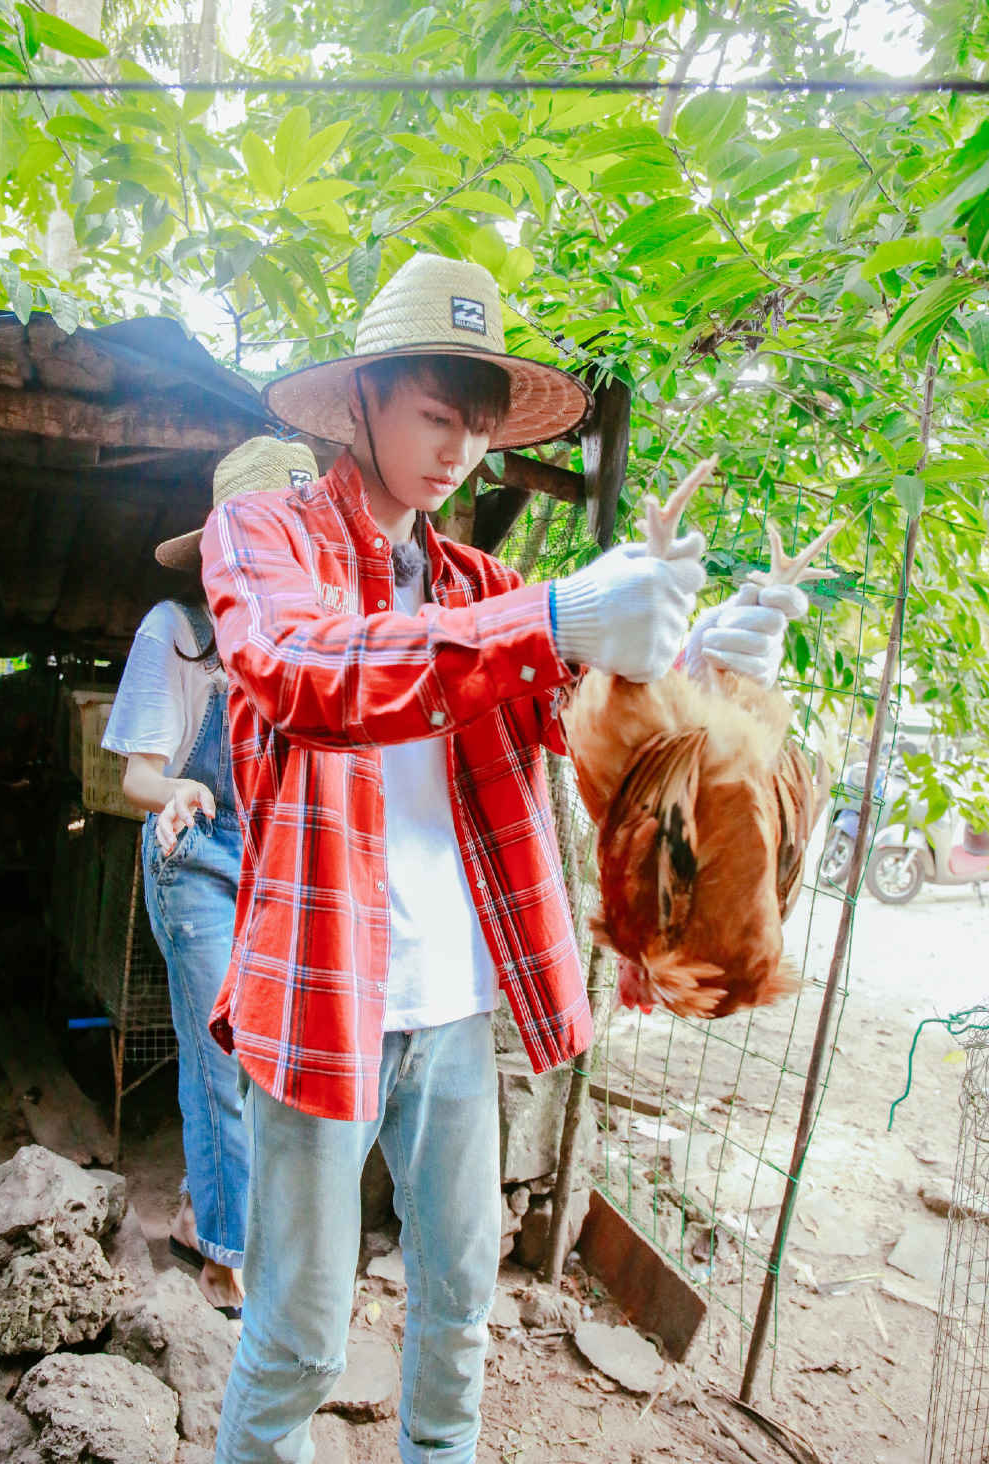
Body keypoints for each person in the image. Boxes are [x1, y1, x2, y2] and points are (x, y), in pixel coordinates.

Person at [198, 253, 800, 1463]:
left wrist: (710, 664)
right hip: (324, 998)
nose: (458, 451)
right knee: (301, 1337)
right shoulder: (264, 537)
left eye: (475, 426)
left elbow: (596, 724)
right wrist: (555, 618)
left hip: (457, 1006)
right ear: (362, 397)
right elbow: (312, 673)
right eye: (434, 415)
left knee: (460, 1312)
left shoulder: (482, 582)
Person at [101, 437, 318, 1319]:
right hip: (190, 864)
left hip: (267, 870)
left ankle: (204, 1218)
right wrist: (180, 787)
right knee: (223, 1056)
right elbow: (134, 780)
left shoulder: (304, 643)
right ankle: (230, 1265)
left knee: (243, 1056)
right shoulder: (179, 632)